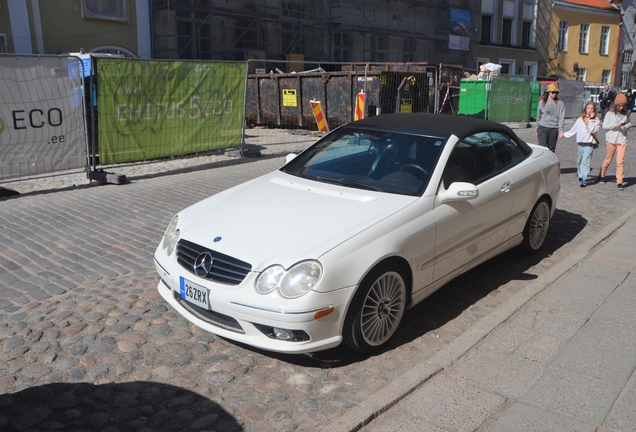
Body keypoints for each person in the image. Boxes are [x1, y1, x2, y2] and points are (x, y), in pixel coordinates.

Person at [564, 101, 600, 187]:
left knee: (585, 162)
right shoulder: (580, 119)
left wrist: (591, 119)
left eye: (592, 109)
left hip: (589, 144)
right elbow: (574, 130)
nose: (590, 110)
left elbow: (593, 130)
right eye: (588, 108)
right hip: (580, 144)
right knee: (579, 162)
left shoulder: (596, 120)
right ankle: (580, 177)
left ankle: (583, 179)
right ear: (585, 109)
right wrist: (564, 134)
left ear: (594, 110)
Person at [600, 93, 631, 190]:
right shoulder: (610, 114)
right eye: (619, 105)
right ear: (616, 105)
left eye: (623, 105)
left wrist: (626, 126)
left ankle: (619, 182)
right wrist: (615, 125)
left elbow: (629, 123)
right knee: (608, 160)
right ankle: (602, 174)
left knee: (620, 161)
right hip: (611, 140)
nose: (621, 107)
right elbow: (604, 126)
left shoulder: (626, 114)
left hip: (622, 140)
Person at [536, 83, 565, 152]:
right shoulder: (542, 102)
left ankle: (550, 163)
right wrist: (537, 129)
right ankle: (542, 162)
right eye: (553, 92)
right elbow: (538, 117)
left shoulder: (560, 103)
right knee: (541, 148)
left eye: (556, 92)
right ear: (548, 92)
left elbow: (561, 118)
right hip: (542, 127)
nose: (554, 94)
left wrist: (561, 131)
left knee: (551, 150)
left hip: (554, 129)